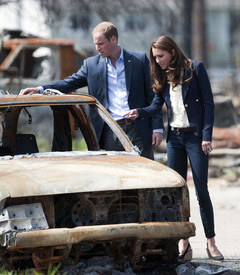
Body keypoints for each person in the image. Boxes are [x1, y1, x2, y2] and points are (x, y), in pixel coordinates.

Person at [124, 35, 224, 261]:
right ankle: (184, 243)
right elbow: (156, 106)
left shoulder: (195, 69)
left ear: (172, 52)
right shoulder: (161, 75)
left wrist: (206, 136)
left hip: (196, 138)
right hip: (175, 140)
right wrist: (139, 112)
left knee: (201, 191)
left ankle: (211, 243)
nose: (157, 60)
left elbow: (208, 103)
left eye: (160, 56)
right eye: (154, 57)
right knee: (177, 194)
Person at [19, 21, 163, 159]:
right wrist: (40, 89)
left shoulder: (139, 60)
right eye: (96, 44)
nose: (97, 48)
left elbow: (153, 96)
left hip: (138, 129)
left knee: (144, 172)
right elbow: (69, 83)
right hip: (110, 131)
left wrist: (157, 128)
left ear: (113, 40)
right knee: (115, 175)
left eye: (101, 44)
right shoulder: (91, 65)